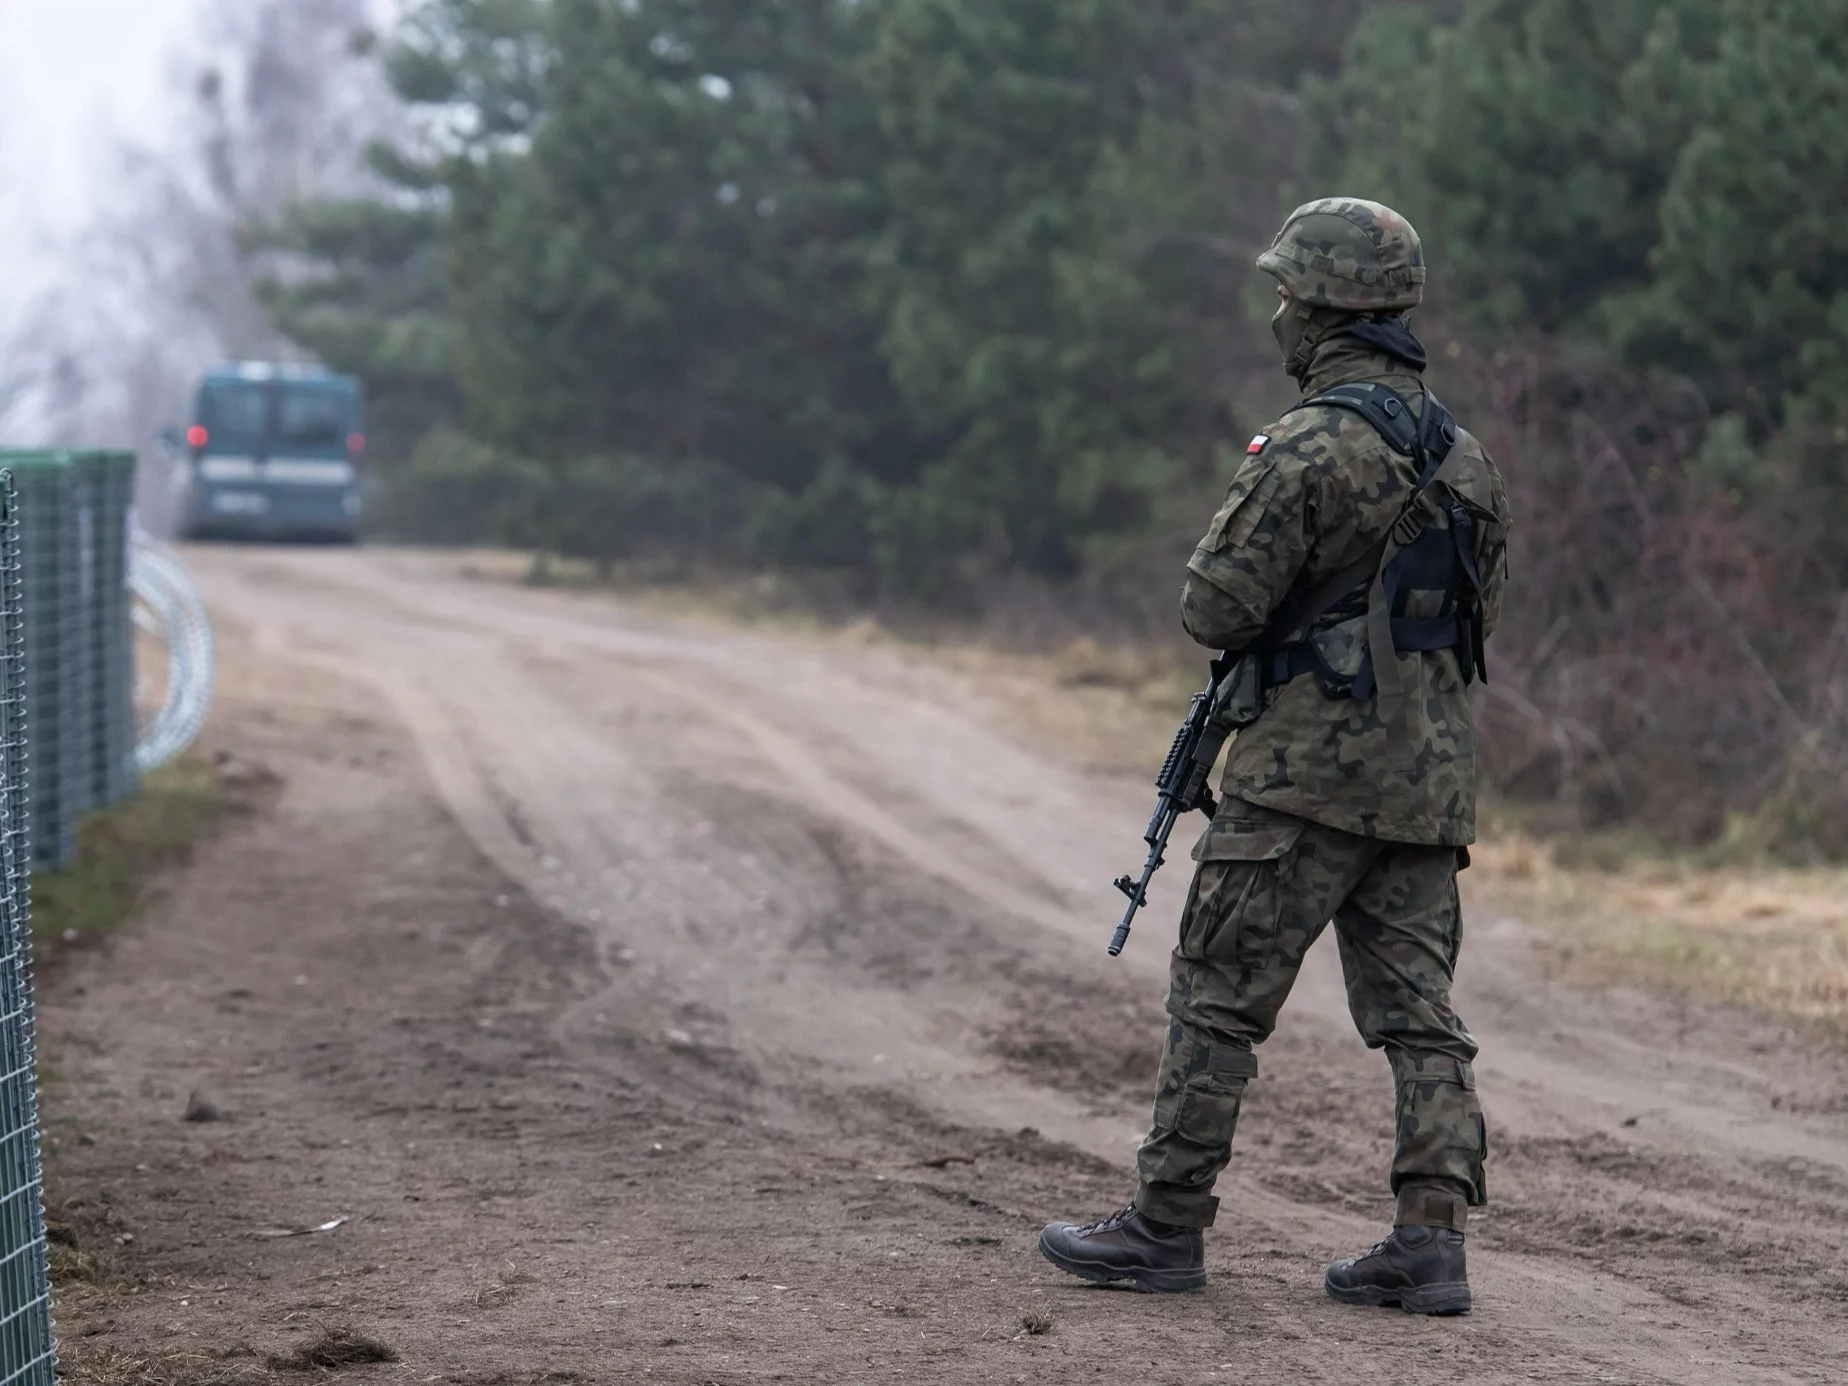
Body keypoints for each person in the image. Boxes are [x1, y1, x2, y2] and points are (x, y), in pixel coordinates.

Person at [1038, 198, 1513, 1316]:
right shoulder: (1469, 459)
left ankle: (1164, 1229)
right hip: (1429, 785)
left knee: (1216, 1001)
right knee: (1422, 1021)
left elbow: (1215, 606)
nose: (1278, 313)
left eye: (1286, 293)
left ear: (1325, 306)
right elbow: (1473, 618)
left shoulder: (1307, 444)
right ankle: (1430, 1243)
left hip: (1300, 778)